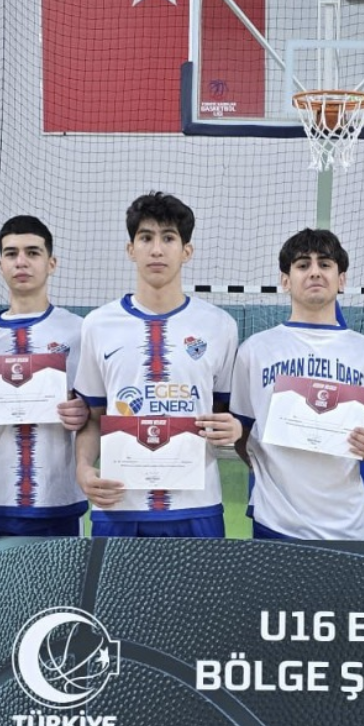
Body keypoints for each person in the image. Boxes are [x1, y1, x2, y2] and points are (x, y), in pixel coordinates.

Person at [74, 192, 241, 536]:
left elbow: (225, 411)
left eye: (168, 238)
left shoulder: (219, 325)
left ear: (186, 251)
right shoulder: (97, 324)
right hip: (119, 506)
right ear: (130, 249)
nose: (156, 250)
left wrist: (232, 427)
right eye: (146, 237)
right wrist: (83, 468)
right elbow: (92, 417)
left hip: (197, 506)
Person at [231, 229, 364, 539]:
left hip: (346, 525)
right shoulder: (254, 351)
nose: (315, 272)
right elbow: (243, 432)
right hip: (275, 521)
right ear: (285, 280)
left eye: (325, 264)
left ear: (341, 279)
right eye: (303, 264)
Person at [0, 216, 88, 537]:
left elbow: (97, 411)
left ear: (51, 263)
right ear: (0, 264)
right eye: (11, 253)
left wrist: (84, 413)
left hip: (60, 496)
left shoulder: (79, 331)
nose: (21, 262)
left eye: (32, 252)